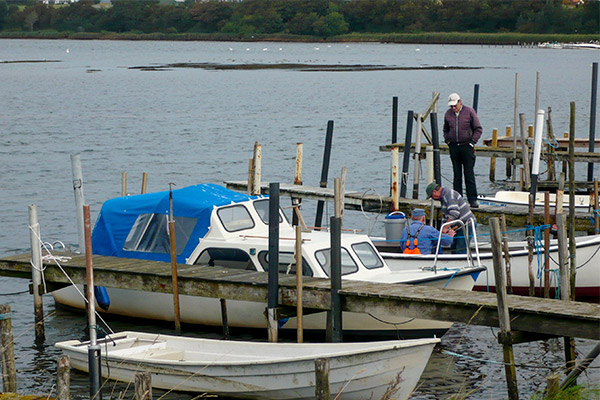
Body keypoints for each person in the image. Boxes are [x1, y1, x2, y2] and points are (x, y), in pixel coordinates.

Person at [443, 93, 483, 208]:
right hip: (454, 147)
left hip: (467, 146)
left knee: (469, 174)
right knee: (457, 175)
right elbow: (445, 129)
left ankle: (473, 199)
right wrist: (448, 141)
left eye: (455, 105)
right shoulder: (448, 114)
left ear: (460, 102)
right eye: (451, 106)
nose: (453, 108)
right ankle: (457, 200)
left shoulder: (469, 112)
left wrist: (472, 143)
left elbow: (478, 129)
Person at [426, 182, 476, 254]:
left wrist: (445, 227)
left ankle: (461, 262)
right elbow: (446, 215)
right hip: (457, 226)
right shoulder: (443, 197)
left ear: (435, 191)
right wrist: (443, 230)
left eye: (432, 196)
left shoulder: (449, 194)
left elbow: (454, 213)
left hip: (467, 224)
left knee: (461, 248)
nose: (433, 198)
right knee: (453, 247)